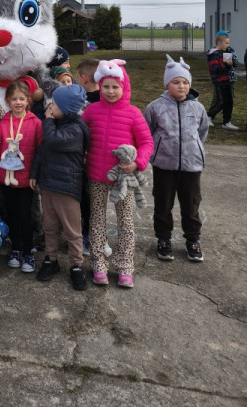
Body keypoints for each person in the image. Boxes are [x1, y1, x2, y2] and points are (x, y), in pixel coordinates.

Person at [82, 59, 154, 288]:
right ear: (99, 87)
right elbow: (80, 137)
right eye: (106, 86)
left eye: (115, 86)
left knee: (125, 223)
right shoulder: (92, 111)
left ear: (124, 87)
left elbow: (146, 143)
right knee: (97, 221)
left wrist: (138, 164)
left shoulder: (133, 114)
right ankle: (99, 265)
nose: (111, 91)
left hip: (123, 180)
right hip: (96, 176)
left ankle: (125, 267)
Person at [144, 55, 209, 262]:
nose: (181, 86)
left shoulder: (198, 108)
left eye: (185, 82)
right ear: (167, 84)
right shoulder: (155, 107)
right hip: (164, 165)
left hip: (191, 166)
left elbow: (202, 131)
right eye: (176, 82)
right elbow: (148, 131)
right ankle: (163, 239)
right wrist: (158, 150)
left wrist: (194, 149)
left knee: (191, 205)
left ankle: (192, 240)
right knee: (163, 204)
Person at [30, 84, 89, 291]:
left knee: (72, 230)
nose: (49, 106)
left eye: (54, 103)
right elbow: (42, 150)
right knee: (50, 225)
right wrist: (34, 173)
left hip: (67, 187)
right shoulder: (55, 123)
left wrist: (47, 120)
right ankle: (51, 259)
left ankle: (76, 265)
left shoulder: (75, 129)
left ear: (67, 108)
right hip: (48, 184)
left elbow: (53, 141)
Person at [0, 80, 43, 273]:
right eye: (13, 99)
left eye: (21, 98)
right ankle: (16, 249)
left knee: (25, 216)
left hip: (27, 180)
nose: (18, 102)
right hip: (6, 179)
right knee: (11, 215)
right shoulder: (2, 124)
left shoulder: (35, 123)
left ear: (28, 100)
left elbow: (39, 153)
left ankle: (28, 251)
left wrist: (36, 175)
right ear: (7, 101)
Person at [75, 58, 112, 260]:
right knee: (98, 203)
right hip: (104, 162)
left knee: (87, 202)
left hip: (85, 162)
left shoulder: (83, 104)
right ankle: (97, 237)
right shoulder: (110, 100)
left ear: (83, 78)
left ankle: (91, 239)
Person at [206, 32, 240, 130]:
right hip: (219, 81)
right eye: (226, 43)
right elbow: (214, 68)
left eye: (228, 43)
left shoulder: (225, 53)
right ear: (219, 43)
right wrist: (225, 64)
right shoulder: (214, 54)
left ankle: (226, 122)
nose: (228, 45)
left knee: (229, 102)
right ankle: (209, 116)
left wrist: (231, 63)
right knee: (222, 101)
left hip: (227, 80)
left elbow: (230, 66)